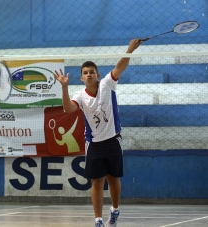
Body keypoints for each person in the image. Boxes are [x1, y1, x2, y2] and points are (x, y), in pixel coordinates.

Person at [54, 39, 142, 227]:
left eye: (91, 72)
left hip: (113, 139)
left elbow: (120, 66)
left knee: (113, 179)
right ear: (81, 78)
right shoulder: (79, 95)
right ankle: (99, 220)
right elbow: (68, 109)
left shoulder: (107, 84)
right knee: (96, 182)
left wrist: (130, 50)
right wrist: (63, 87)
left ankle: (115, 210)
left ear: (97, 75)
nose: (88, 75)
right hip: (93, 143)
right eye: (85, 73)